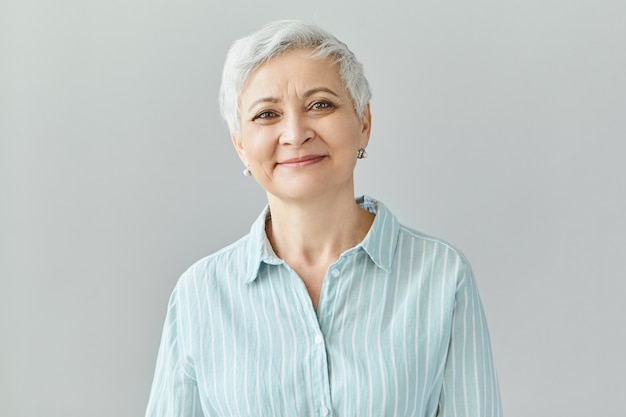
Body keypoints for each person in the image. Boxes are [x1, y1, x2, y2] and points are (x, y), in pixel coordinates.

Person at [145, 20, 502, 417]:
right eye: (267, 114)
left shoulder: (441, 276)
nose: (295, 133)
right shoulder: (198, 295)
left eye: (320, 104)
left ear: (363, 123)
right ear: (241, 145)